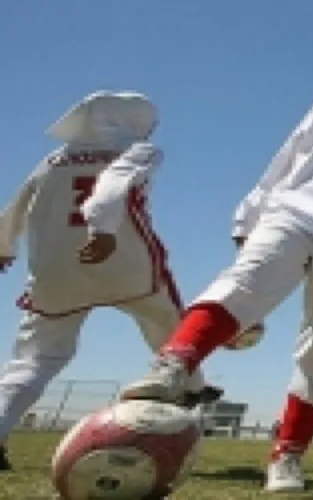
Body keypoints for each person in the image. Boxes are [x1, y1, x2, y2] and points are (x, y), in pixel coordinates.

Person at [119, 34, 313, 492]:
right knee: (244, 283)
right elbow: (285, 159)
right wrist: (250, 212)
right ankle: (173, 365)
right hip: (293, 215)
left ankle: (287, 455)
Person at [0, 91, 223, 471]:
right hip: (122, 257)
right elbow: (113, 183)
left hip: (56, 271)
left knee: (34, 361)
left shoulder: (52, 160)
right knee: (172, 329)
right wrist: (101, 226)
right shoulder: (138, 151)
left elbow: (17, 206)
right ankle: (190, 387)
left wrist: (4, 247)